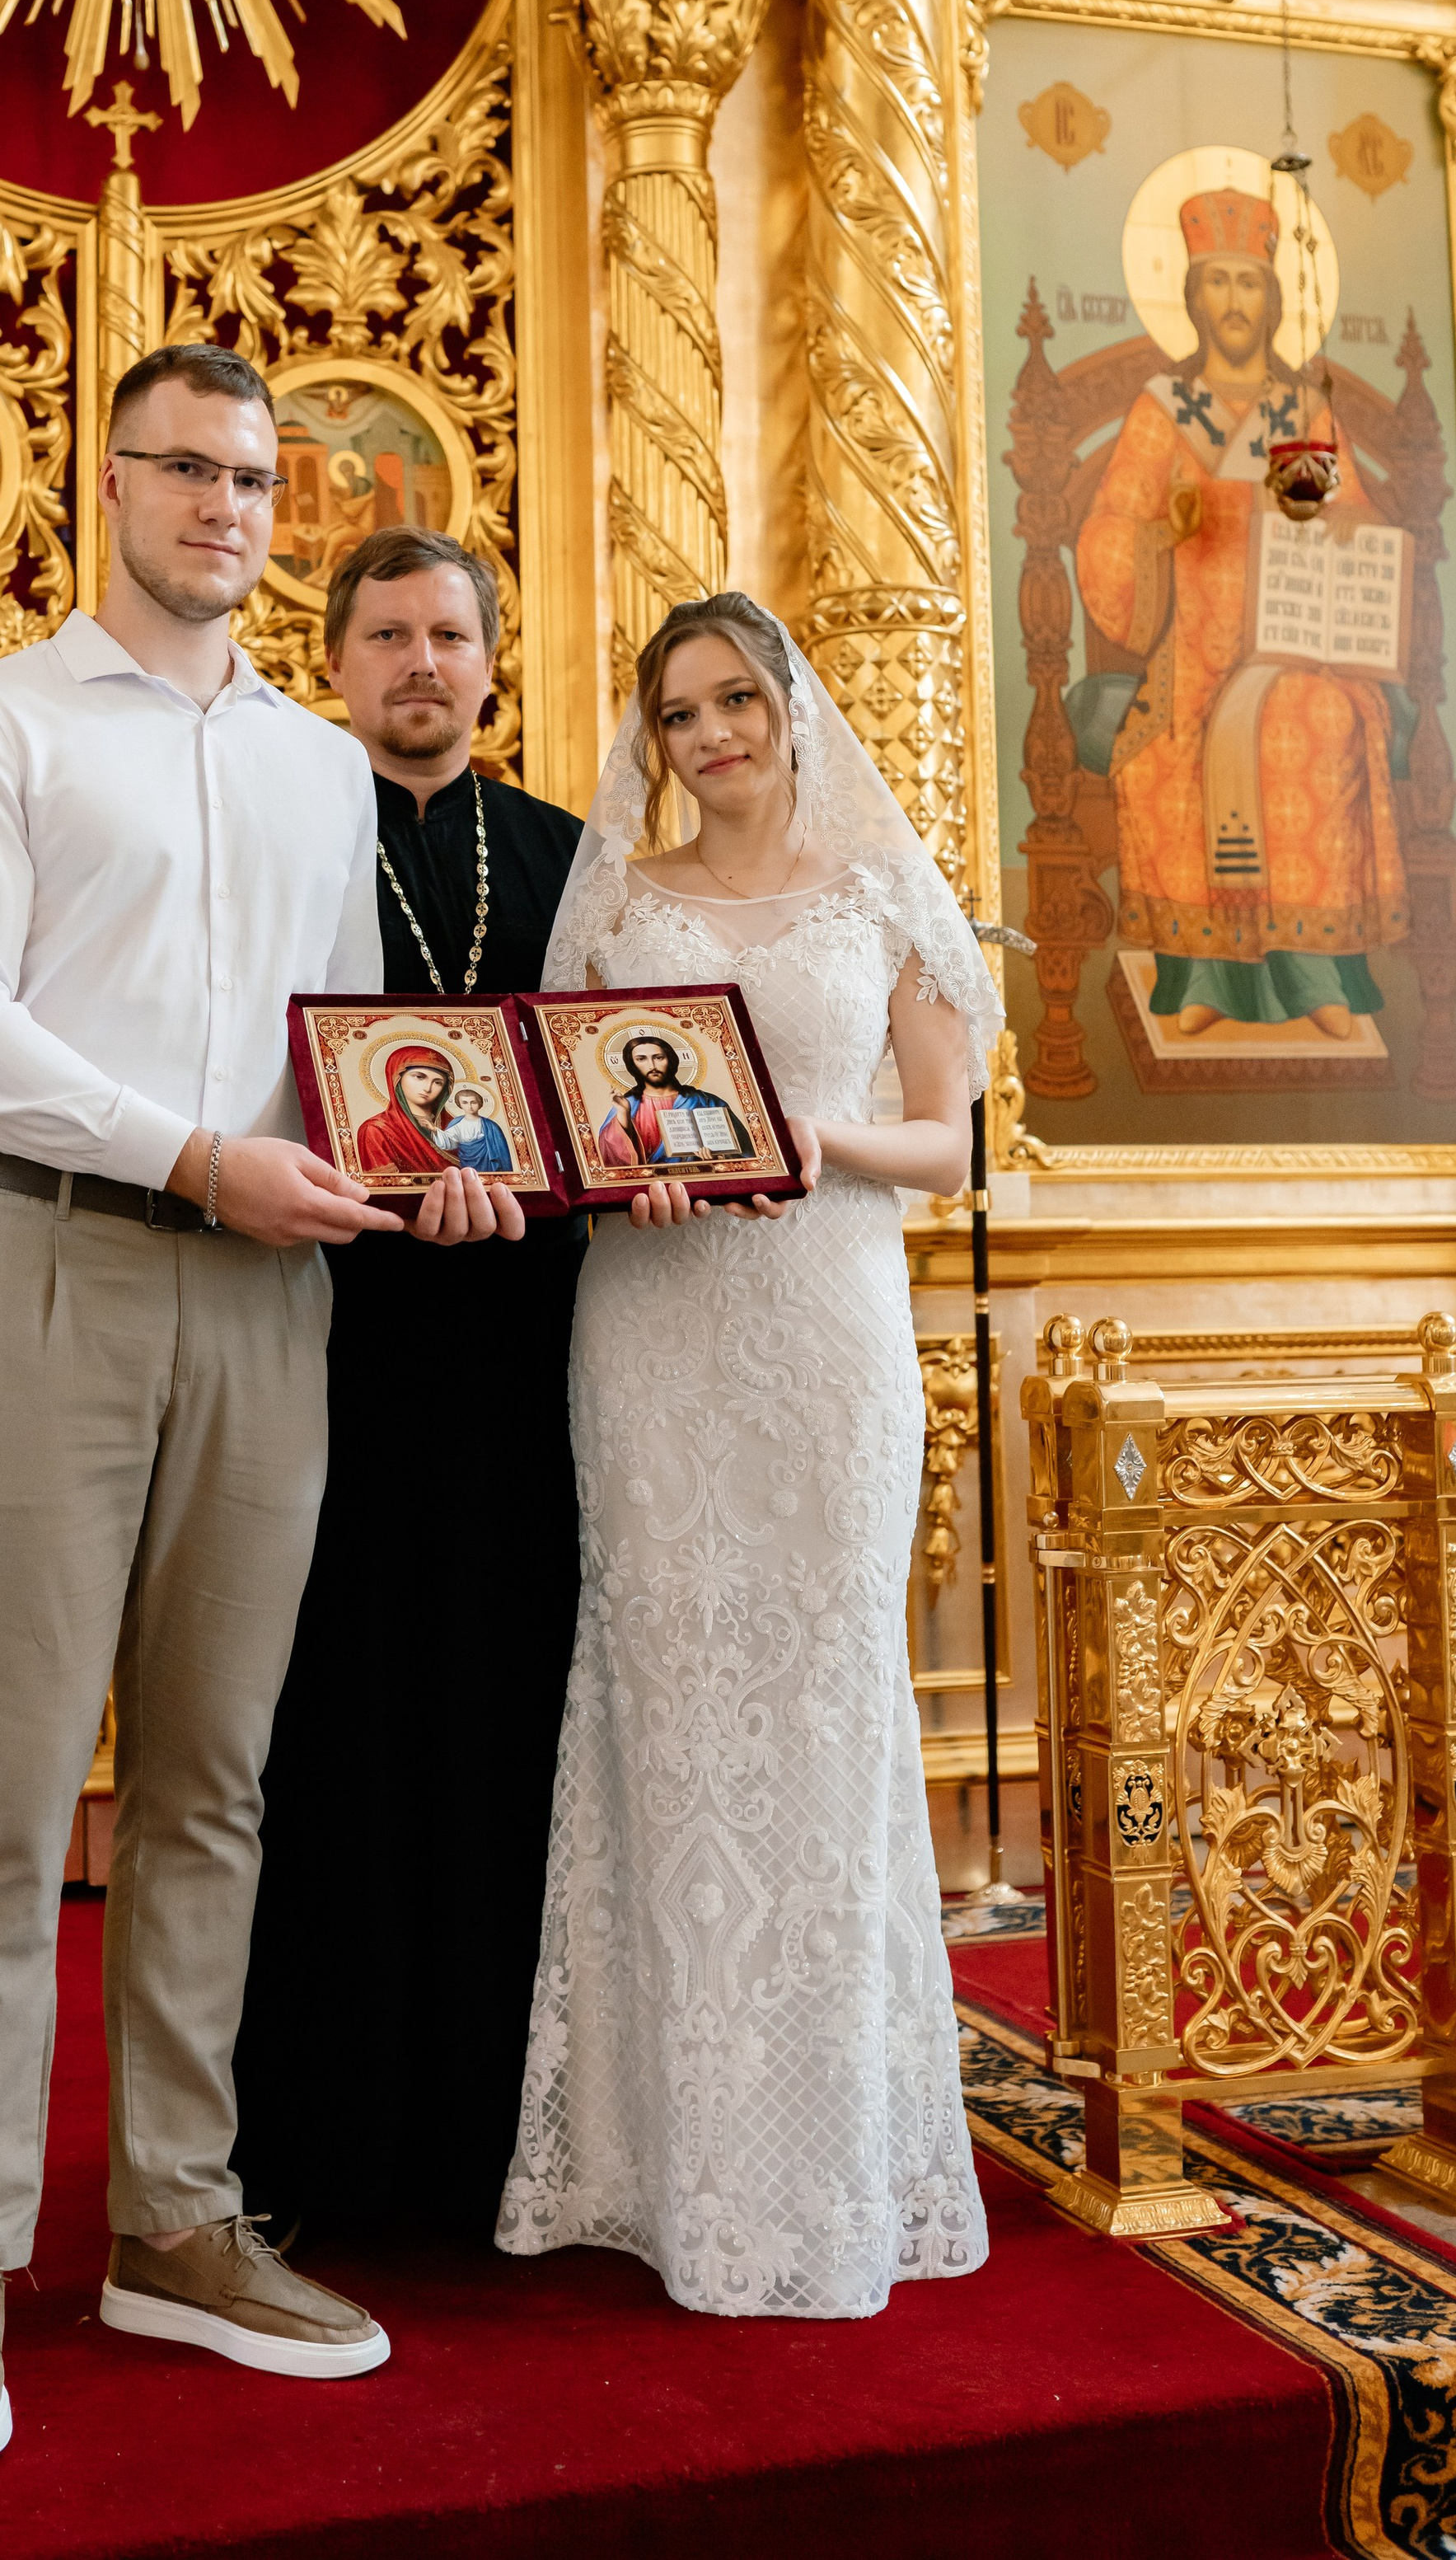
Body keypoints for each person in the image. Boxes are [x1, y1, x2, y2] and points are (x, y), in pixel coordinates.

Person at [0, 348, 515, 2468]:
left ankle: (172, 2217)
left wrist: (421, 1153)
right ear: (113, 483)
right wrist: (190, 1155)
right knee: (1, 1790)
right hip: (53, 1257)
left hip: (270, 1290)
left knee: (215, 1783)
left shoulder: (321, 767)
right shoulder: (3, 724)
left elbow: (330, 1040)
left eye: (252, 477)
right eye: (185, 469)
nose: (223, 504)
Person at [498, 590, 1001, 2317]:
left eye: (733, 698)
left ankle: (824, 2159)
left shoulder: (877, 894)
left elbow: (943, 1143)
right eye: (674, 711)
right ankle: (657, 2162)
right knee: (667, 1704)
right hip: (649, 1332)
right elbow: (559, 1113)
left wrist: (802, 1137)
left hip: (821, 1336)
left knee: (819, 1701)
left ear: (789, 704)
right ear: (647, 736)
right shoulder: (617, 902)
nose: (708, 733)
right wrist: (613, 1159)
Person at [235, 526, 583, 2239]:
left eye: (449, 632)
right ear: (339, 660)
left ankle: (494, 2151)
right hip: (322, 1342)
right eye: (387, 634)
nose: (421, 663)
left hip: (524, 1365)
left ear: (490, 661)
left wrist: (566, 1174)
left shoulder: (564, 861)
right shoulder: (277, 845)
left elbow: (610, 1094)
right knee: (330, 1739)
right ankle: (317, 2150)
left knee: (506, 1731)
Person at [1074, 184, 1407, 1040]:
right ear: (1192, 297)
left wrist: (1331, 527)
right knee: (1169, 758)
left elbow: (1351, 520)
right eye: (1216, 282)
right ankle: (1206, 978)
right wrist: (1159, 531)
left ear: (1272, 298)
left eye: (1249, 283)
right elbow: (1110, 527)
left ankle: (1315, 971)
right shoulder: (1162, 411)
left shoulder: (1302, 411)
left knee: (1319, 727)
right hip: (1191, 654)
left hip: (1297, 654)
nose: (1233, 301)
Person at [596, 1030, 754, 1168]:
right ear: (632, 1065)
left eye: (658, 1057)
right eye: (641, 1059)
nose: (652, 1065)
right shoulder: (628, 1104)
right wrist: (623, 1115)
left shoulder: (706, 1101)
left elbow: (746, 1154)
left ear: (670, 1060)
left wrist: (718, 1158)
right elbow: (610, 1159)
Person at [354, 1045, 457, 1174]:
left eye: (438, 1082)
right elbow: (387, 1186)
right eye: (419, 1077)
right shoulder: (377, 1130)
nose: (427, 1088)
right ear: (397, 1077)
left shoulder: (458, 1127)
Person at [438, 1084, 512, 1171]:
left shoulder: (491, 1126)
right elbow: (447, 1142)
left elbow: (502, 1151)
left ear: (479, 1103)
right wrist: (434, 1130)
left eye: (473, 1102)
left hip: (488, 1165)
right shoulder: (457, 1123)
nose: (470, 1106)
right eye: (465, 1103)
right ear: (459, 1104)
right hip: (466, 1164)